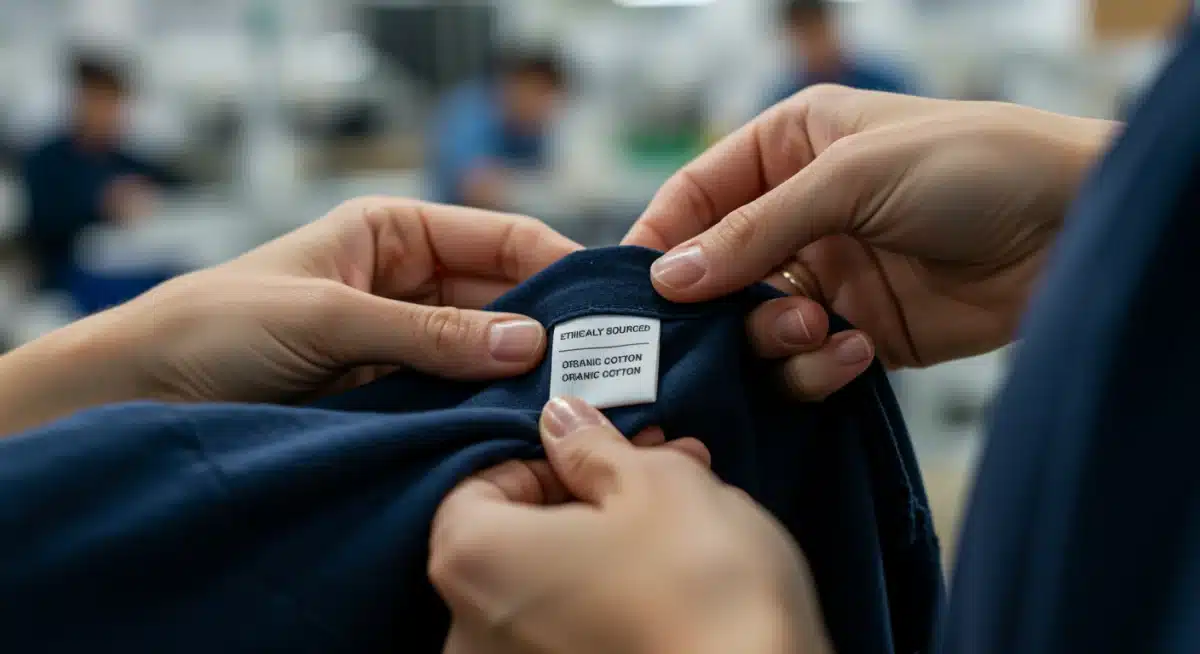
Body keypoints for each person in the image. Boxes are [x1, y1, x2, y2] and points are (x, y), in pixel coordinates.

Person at [19, 52, 180, 292]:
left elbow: (172, 184)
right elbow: (44, 220)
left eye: (113, 103)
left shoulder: (127, 162)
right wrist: (102, 204)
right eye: (99, 101)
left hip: (130, 265)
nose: (107, 112)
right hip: (67, 274)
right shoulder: (47, 160)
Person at [428, 51, 566, 210]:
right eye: (539, 94)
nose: (544, 107)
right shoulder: (470, 115)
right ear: (514, 86)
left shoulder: (529, 128)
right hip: (452, 221)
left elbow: (540, 173)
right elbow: (476, 187)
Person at [768, 0, 913, 108]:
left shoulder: (884, 84)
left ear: (831, 26)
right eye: (803, 34)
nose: (813, 42)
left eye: (817, 30)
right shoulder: (782, 101)